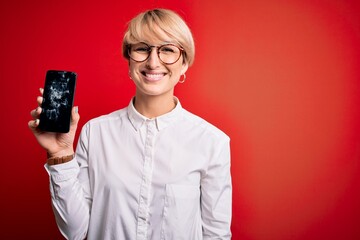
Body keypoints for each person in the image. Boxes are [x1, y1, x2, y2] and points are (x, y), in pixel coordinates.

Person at [28, 8, 232, 240]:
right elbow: (75, 231)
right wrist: (60, 153)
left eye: (167, 50)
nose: (153, 62)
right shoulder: (95, 133)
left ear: (184, 64)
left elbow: (216, 235)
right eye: (142, 49)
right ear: (129, 60)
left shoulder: (212, 143)